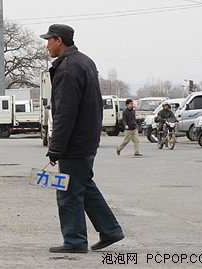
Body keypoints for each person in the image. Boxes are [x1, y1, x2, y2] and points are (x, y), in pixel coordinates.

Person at [41, 24, 124, 253]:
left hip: (74, 143)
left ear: (59, 40)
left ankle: (75, 241)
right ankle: (110, 230)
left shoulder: (67, 68)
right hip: (86, 139)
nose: (47, 44)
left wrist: (55, 148)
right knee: (84, 186)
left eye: (49, 40)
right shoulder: (85, 61)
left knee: (68, 193)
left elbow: (65, 113)